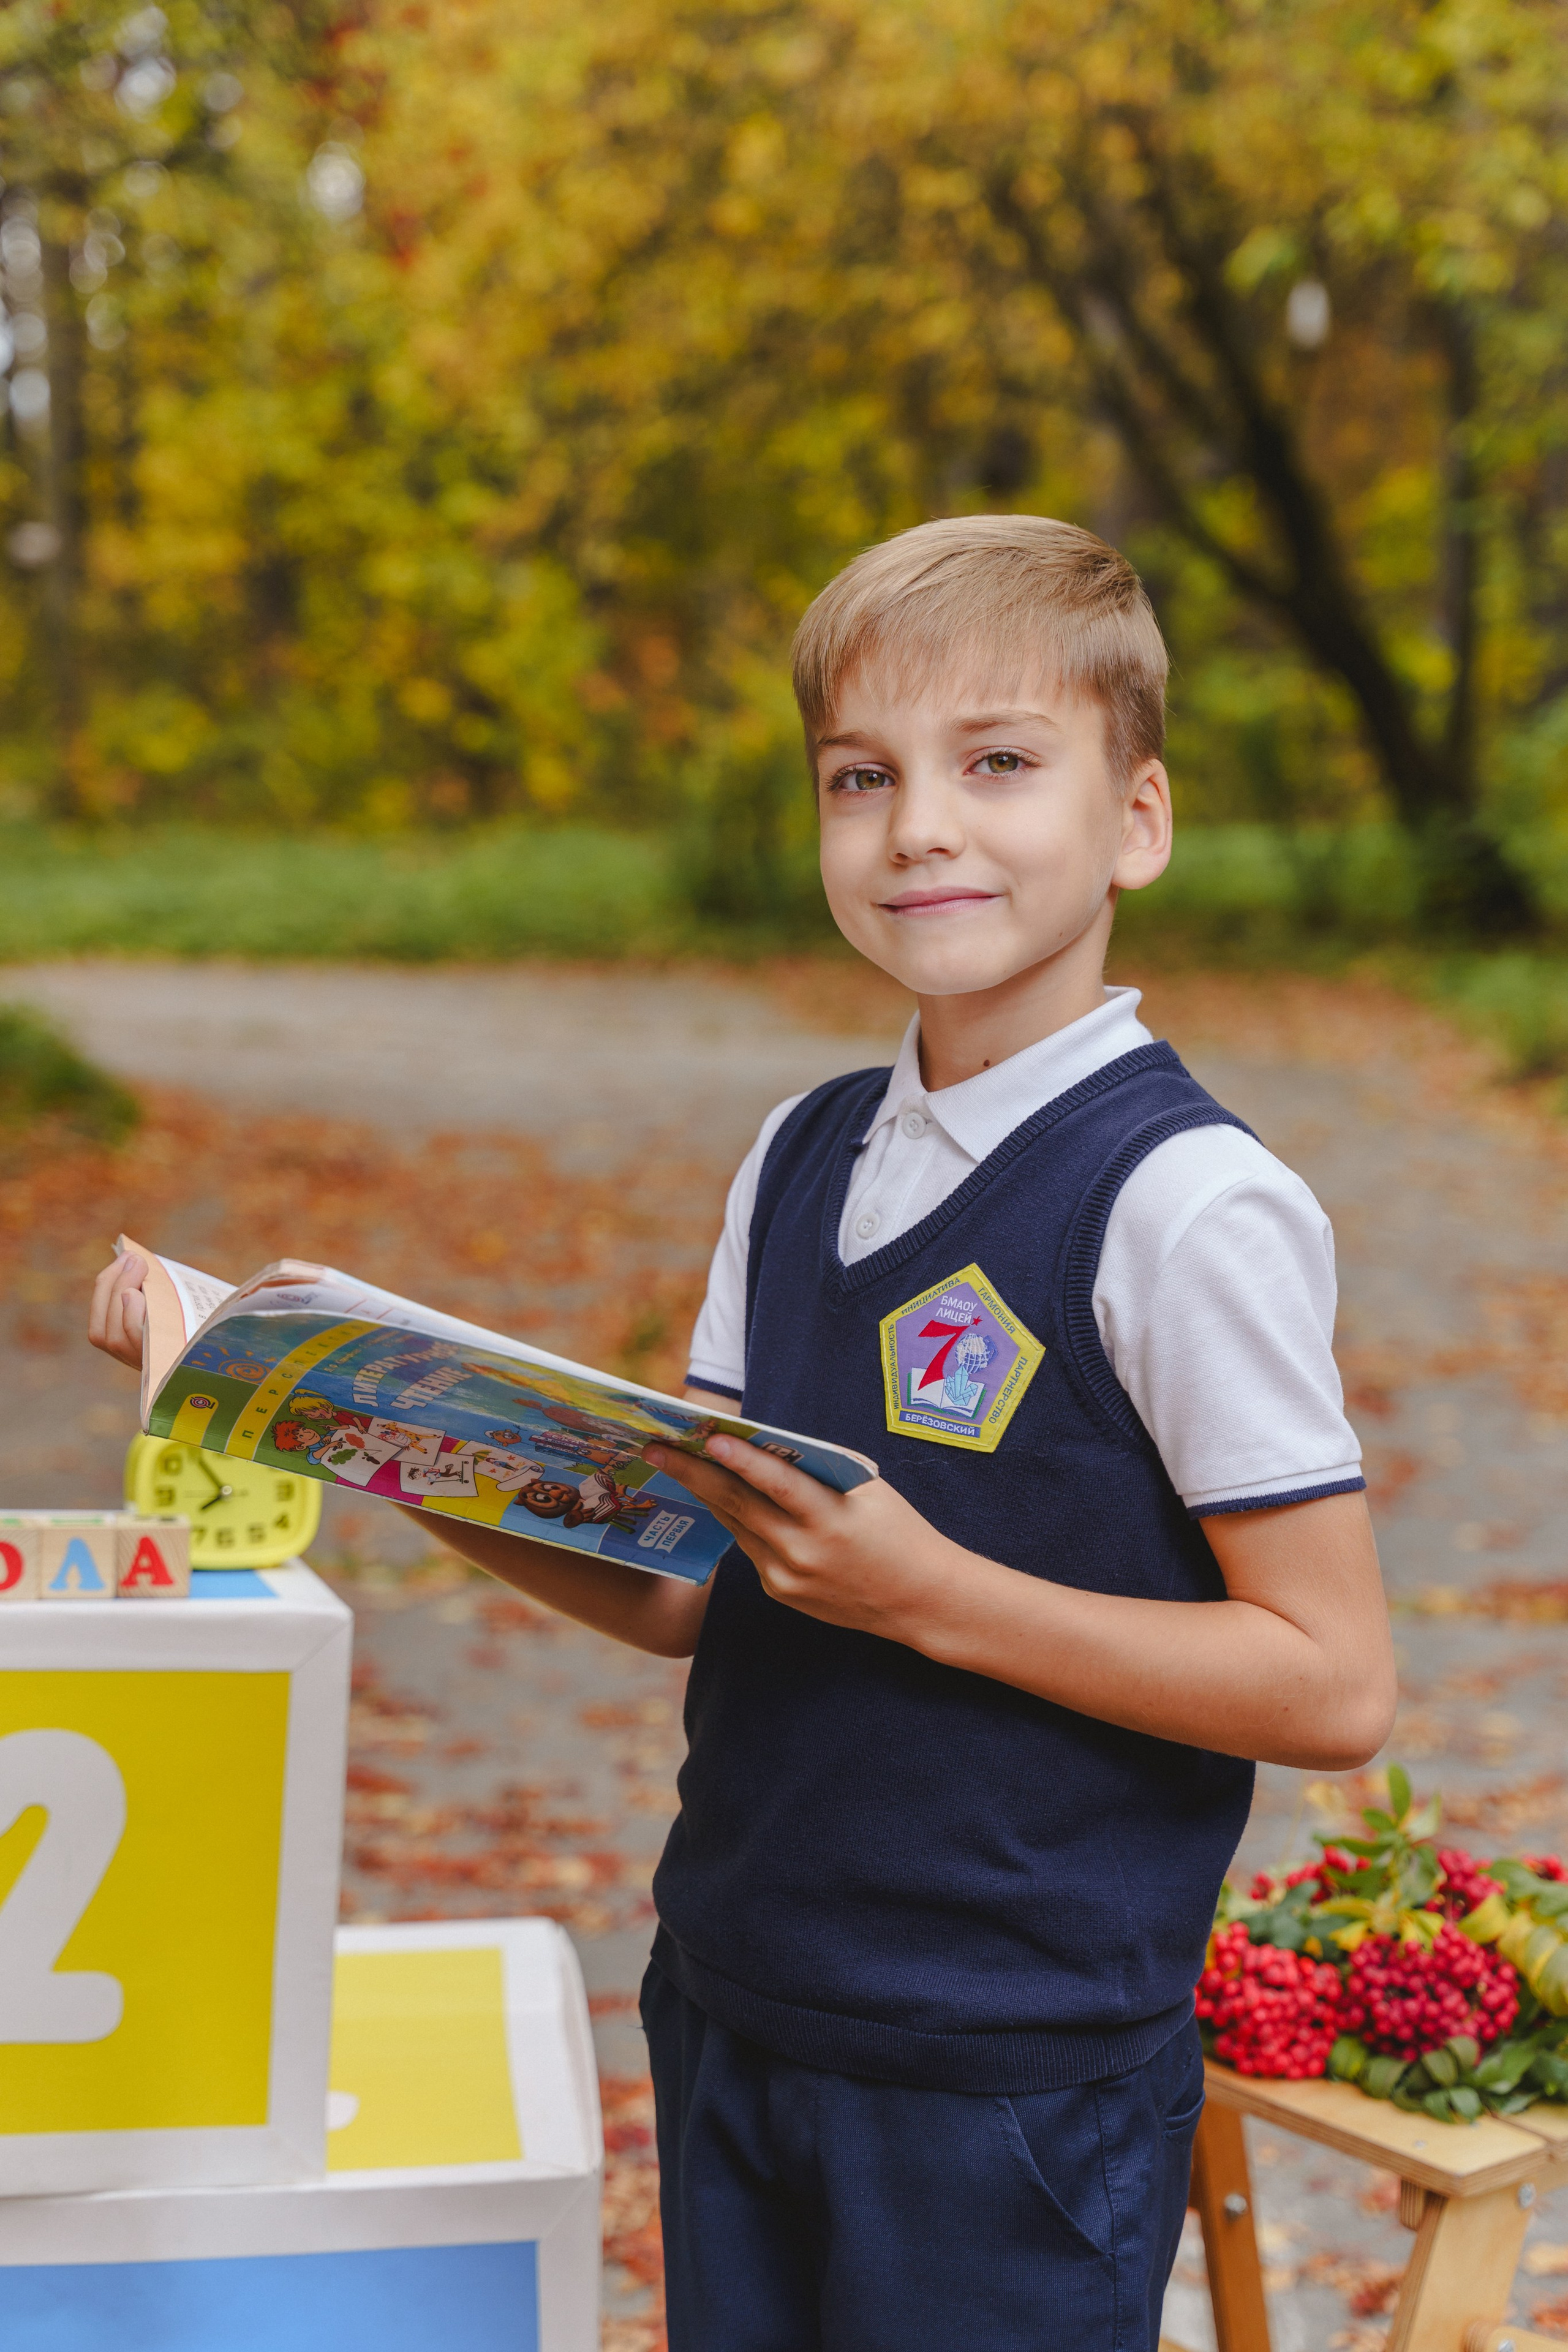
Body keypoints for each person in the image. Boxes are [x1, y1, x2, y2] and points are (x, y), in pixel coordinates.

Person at [90, 514, 1396, 2352]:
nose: (919, 825)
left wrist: (926, 1594)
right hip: (736, 1997)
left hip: (1002, 2081)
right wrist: (342, 1418)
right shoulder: (799, 1156)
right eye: (859, 777)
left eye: (998, 765)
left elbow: (1330, 1684)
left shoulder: (1186, 1202)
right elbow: (682, 1584)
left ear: (1141, 820)